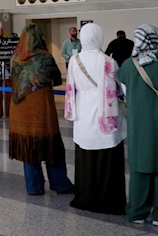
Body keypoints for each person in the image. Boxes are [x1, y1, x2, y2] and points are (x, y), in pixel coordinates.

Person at [64, 23, 126, 214]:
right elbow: (118, 89)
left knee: (85, 153)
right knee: (107, 152)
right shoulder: (108, 61)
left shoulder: (74, 60)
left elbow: (70, 88)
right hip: (104, 113)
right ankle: (108, 199)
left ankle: (86, 195)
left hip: (83, 112)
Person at [9, 24, 73, 195]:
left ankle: (33, 187)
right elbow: (57, 79)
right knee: (52, 146)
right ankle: (60, 184)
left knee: (29, 147)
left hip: (19, 109)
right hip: (41, 110)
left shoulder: (14, 57)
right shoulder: (45, 57)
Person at [117, 24, 158, 225]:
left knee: (139, 166)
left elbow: (124, 93)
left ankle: (137, 211)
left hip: (138, 124)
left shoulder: (128, 65)